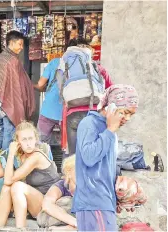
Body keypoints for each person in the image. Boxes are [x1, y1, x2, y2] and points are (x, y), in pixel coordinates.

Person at [72, 84, 139, 231]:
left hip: (104, 202)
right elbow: (89, 158)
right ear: (111, 107)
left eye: (131, 115)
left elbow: (104, 169)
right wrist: (110, 130)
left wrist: (120, 194)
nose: (127, 118)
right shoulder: (90, 124)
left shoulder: (110, 131)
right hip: (93, 203)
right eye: (125, 112)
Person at [0, 121, 60, 228]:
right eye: (24, 139)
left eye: (31, 138)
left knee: (16, 186)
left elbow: (9, 180)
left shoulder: (36, 156)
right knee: (6, 188)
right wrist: (0, 207)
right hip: (35, 202)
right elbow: (8, 182)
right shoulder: (23, 156)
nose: (28, 143)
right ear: (18, 142)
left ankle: (20, 229)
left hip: (50, 205)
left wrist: (10, 154)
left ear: (36, 139)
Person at [0, 30, 35, 156]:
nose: (21, 47)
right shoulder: (12, 60)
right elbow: (14, 87)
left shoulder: (1, 57)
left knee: (3, 133)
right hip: (8, 104)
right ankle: (6, 162)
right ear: (12, 43)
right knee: (9, 134)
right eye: (19, 44)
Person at [64, 38, 114, 156]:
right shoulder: (98, 68)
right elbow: (111, 91)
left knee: (74, 157)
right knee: (95, 155)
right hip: (95, 113)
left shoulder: (66, 69)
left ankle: (75, 174)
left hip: (73, 115)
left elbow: (61, 93)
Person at [40, 155, 77, 229]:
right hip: (66, 221)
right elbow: (47, 204)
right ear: (69, 172)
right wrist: (74, 222)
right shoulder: (61, 185)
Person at [34, 57, 63, 145]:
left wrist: (30, 85)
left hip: (49, 110)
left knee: (41, 143)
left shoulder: (55, 62)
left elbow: (40, 84)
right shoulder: (82, 64)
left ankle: (42, 158)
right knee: (67, 145)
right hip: (67, 111)